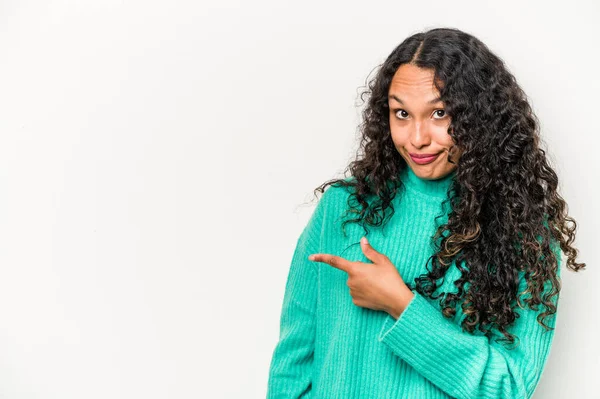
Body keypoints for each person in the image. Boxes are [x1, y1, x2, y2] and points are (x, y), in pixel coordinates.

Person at [265, 27, 585, 399]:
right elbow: (293, 361)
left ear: (479, 117)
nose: (416, 138)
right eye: (401, 113)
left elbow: (508, 387)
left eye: (439, 113)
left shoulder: (524, 232)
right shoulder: (343, 208)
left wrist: (400, 304)